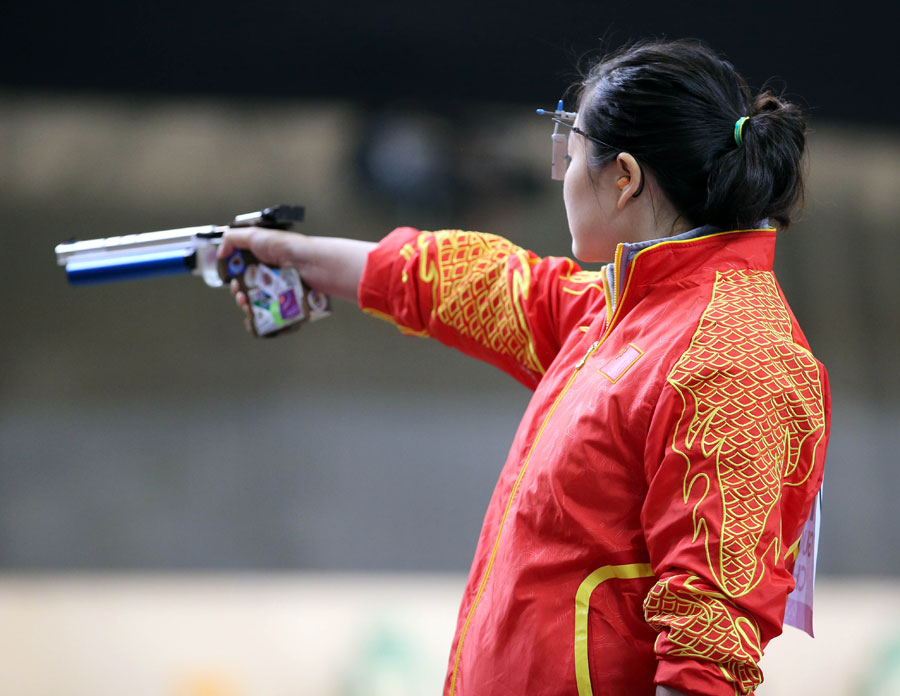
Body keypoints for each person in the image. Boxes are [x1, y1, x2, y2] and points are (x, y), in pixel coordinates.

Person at [218, 39, 830, 696]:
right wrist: (300, 257)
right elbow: (480, 284)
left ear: (624, 177)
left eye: (568, 157)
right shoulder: (623, 311)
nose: (561, 176)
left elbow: (706, 654)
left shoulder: (735, 359)